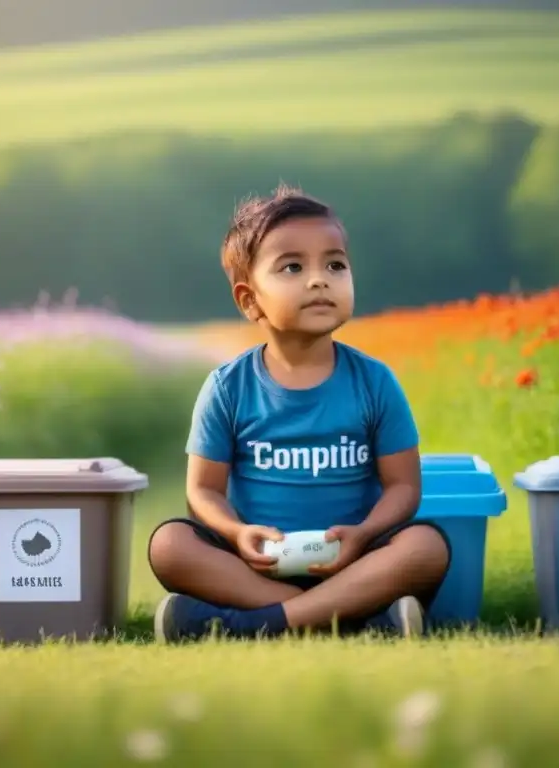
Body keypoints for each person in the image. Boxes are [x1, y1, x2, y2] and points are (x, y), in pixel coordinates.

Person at [148, 184, 451, 643]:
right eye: (293, 267)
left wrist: (364, 533)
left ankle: (257, 624)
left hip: (354, 559)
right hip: (260, 570)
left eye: (335, 264)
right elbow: (203, 492)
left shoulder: (375, 382)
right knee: (169, 545)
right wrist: (237, 532)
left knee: (426, 547)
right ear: (250, 300)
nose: (319, 279)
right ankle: (349, 619)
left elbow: (404, 486)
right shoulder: (227, 388)